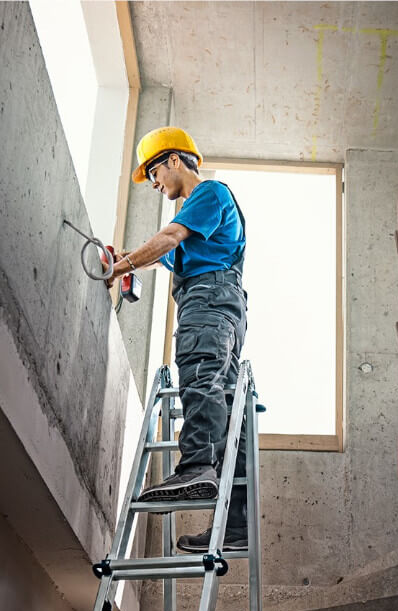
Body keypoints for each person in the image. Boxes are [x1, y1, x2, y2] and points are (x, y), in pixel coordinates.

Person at [108, 126, 249, 553]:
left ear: (173, 159)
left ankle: (195, 468)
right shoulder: (197, 222)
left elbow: (168, 238)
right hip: (220, 302)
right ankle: (236, 523)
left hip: (207, 299)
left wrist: (121, 266)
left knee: (199, 376)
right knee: (223, 404)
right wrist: (128, 261)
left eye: (153, 172)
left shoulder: (207, 194)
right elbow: (163, 250)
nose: (154, 184)